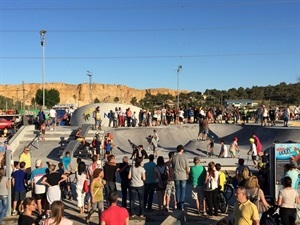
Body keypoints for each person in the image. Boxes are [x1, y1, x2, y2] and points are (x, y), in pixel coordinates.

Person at [171, 144, 189, 210]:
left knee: (177, 190)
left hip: (176, 175)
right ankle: (182, 204)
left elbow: (172, 166)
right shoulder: (185, 157)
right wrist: (187, 174)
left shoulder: (173, 157)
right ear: (182, 150)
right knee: (183, 190)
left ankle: (178, 203)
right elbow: (187, 167)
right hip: (183, 175)